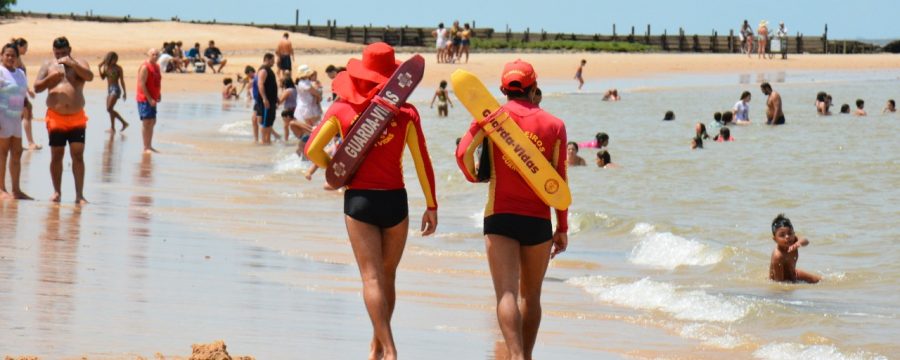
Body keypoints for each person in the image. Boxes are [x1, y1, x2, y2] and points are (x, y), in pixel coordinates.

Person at [304, 42, 438, 360]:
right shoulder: (406, 113)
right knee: (387, 277)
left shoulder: (341, 108)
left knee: (371, 278)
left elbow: (312, 150)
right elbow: (423, 161)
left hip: (360, 201)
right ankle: (377, 345)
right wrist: (431, 205)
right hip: (396, 201)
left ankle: (387, 349)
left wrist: (337, 170)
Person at [455, 59, 568, 360]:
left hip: (500, 215)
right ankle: (526, 356)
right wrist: (563, 227)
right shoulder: (555, 125)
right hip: (538, 221)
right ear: (533, 88)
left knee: (505, 294)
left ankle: (515, 355)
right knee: (531, 297)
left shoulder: (492, 119)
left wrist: (475, 175)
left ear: (503, 89)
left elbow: (463, 152)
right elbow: (559, 181)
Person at [34, 37, 94, 204]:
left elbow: (90, 77)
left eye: (63, 52)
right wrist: (49, 79)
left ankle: (79, 195)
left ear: (70, 50)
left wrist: (73, 65)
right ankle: (57, 192)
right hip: (56, 117)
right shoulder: (48, 65)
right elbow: (37, 87)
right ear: (53, 51)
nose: (60, 56)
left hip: (76, 117)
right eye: (57, 53)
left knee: (78, 155)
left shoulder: (80, 63)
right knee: (56, 155)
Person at [0, 42, 33, 200]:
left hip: (16, 118)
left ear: (17, 57)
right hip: (2, 116)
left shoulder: (20, 73)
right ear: (2, 56)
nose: (10, 58)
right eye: (7, 55)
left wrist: (27, 106)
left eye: (13, 55)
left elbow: (22, 93)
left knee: (16, 154)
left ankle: (16, 189)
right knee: (2, 153)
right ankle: (1, 188)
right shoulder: (0, 71)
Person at [769, 214, 820, 283]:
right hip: (782, 278)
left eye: (790, 233)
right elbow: (779, 283)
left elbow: (806, 241)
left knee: (819, 281)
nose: (787, 237)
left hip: (794, 274)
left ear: (794, 233)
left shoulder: (794, 241)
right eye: (782, 235)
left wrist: (798, 244)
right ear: (775, 239)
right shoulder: (778, 256)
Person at [12, 38, 40, 150]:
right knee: (26, 113)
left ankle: (16, 143)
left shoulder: (16, 58)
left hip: (19, 91)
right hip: (16, 92)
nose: (26, 50)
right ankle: (30, 143)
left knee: (20, 116)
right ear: (19, 46)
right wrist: (27, 91)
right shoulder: (15, 58)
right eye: (25, 48)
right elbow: (16, 76)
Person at [137, 48, 162, 154]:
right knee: (146, 122)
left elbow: (157, 81)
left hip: (153, 98)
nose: (155, 56)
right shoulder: (145, 67)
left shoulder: (157, 66)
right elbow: (141, 84)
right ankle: (146, 146)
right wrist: (149, 98)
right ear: (149, 55)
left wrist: (159, 94)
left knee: (152, 121)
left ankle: (149, 145)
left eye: (157, 54)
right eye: (153, 54)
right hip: (144, 98)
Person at [293, 64, 323, 150]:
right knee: (313, 130)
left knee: (310, 131)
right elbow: (315, 93)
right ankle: (304, 149)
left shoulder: (303, 82)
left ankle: (304, 149)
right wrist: (319, 94)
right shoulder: (304, 83)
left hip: (307, 108)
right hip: (308, 108)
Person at [98, 51, 128, 132]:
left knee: (109, 108)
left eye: (116, 60)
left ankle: (124, 123)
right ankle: (112, 127)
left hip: (116, 89)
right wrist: (99, 68)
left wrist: (125, 92)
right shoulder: (106, 67)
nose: (115, 61)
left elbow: (122, 80)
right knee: (110, 109)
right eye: (113, 59)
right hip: (109, 89)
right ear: (109, 59)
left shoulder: (118, 68)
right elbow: (102, 77)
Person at [256, 53, 278, 144]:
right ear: (267, 60)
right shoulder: (264, 70)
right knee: (265, 123)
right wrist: (265, 99)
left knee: (269, 122)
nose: (274, 63)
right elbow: (260, 84)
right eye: (272, 61)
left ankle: (267, 141)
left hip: (271, 100)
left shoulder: (268, 70)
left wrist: (276, 98)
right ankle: (264, 141)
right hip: (266, 101)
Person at [278, 76, 297, 142]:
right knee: (295, 124)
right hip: (295, 108)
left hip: (288, 109)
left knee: (286, 126)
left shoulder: (288, 91)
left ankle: (286, 140)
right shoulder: (295, 89)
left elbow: (280, 101)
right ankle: (299, 138)